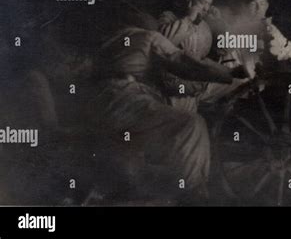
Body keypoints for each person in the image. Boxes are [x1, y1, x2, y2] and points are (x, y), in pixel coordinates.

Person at [91, 22, 242, 199]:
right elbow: (183, 63)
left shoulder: (114, 41)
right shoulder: (150, 37)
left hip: (99, 103)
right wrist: (230, 73)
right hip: (125, 99)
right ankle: (192, 196)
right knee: (192, 124)